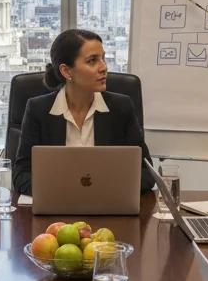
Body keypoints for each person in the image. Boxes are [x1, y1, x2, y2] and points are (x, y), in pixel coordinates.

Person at [13, 29, 153, 197]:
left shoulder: (121, 108)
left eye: (103, 58)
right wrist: (62, 194)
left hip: (107, 209)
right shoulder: (38, 110)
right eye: (92, 61)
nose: (104, 67)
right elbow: (21, 175)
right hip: (56, 212)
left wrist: (104, 192)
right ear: (66, 71)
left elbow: (146, 173)